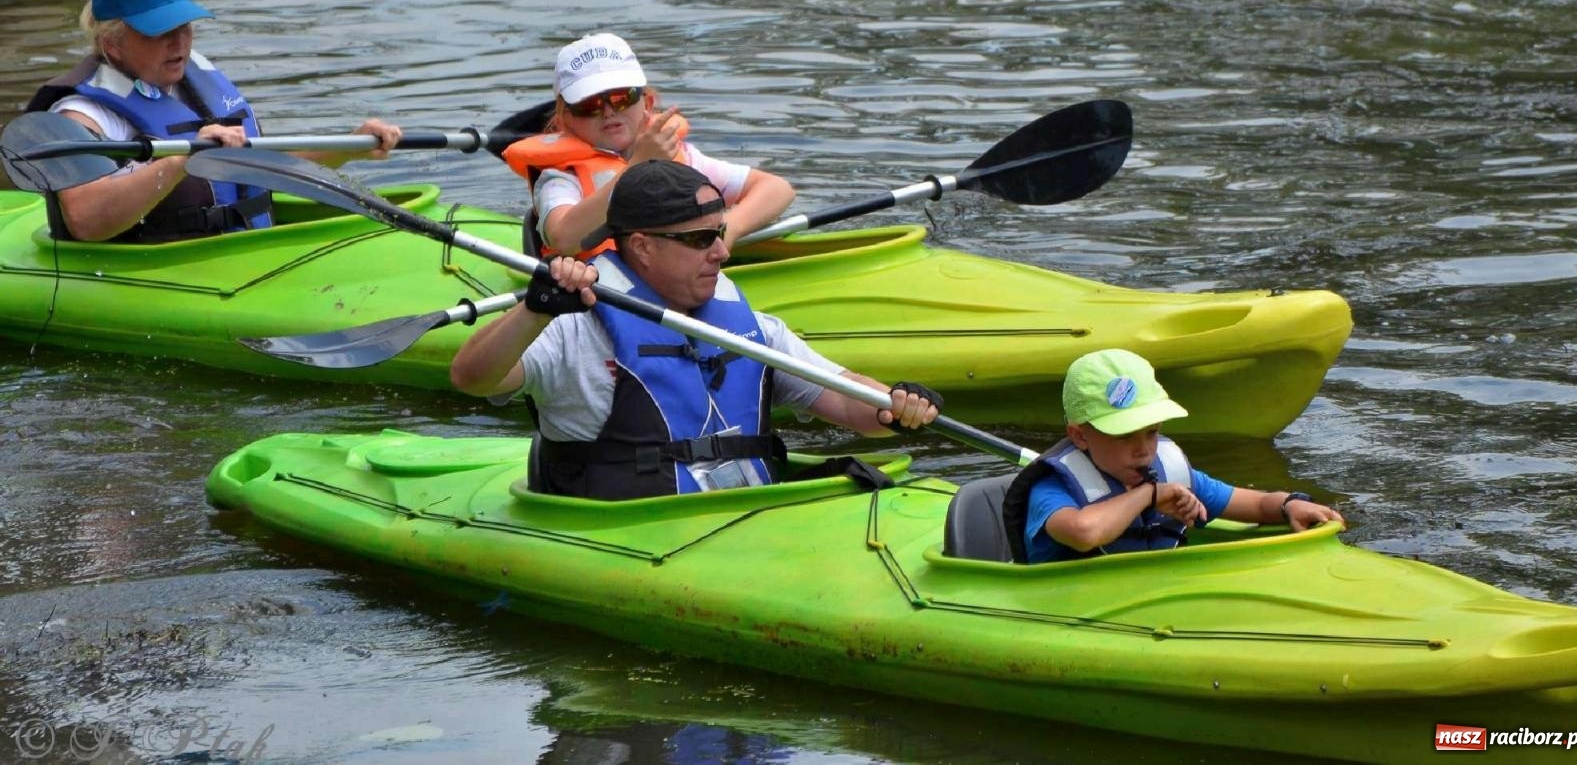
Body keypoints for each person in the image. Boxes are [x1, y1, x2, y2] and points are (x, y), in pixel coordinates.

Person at [450, 158, 941, 500]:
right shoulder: (579, 328)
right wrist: (533, 312)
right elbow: (472, 378)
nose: (723, 253)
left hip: (748, 518)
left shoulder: (752, 328)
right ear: (642, 247)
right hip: (633, 531)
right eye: (702, 239)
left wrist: (893, 405)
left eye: (721, 233)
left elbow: (848, 402)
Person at [25, 0, 402, 243]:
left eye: (183, 25)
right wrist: (180, 160)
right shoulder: (82, 114)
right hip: (159, 270)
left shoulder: (194, 78)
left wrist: (349, 145)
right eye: (157, 31)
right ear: (113, 43)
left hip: (242, 251)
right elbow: (85, 221)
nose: (178, 43)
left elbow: (264, 165)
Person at [1004, 348, 1342, 564]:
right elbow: (1083, 533)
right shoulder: (1052, 489)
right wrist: (1150, 496)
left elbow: (1254, 504)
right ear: (1080, 436)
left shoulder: (1171, 472)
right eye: (1124, 436)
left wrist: (1290, 504)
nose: (1144, 450)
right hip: (1066, 609)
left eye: (1152, 432)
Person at [501, 31, 794, 256]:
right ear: (566, 118)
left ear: (647, 103)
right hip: (597, 296)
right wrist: (638, 166)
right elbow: (564, 238)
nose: (608, 112)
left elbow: (777, 189)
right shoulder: (560, 178)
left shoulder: (679, 155)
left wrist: (729, 228)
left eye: (621, 97)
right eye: (589, 105)